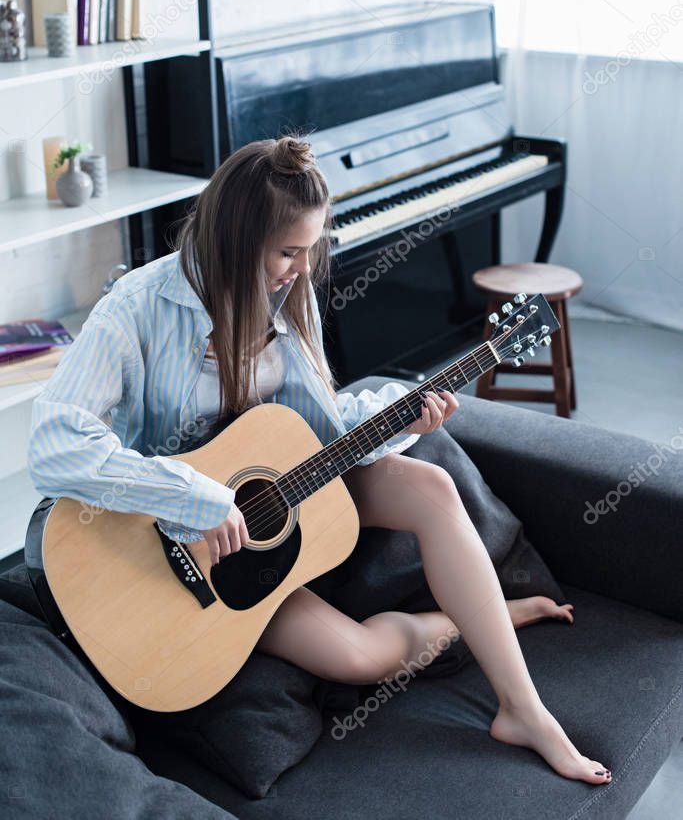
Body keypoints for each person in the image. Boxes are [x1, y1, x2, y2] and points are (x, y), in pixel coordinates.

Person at [28, 135, 611, 786]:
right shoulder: (134, 309)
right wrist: (196, 495)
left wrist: (399, 420)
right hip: (174, 557)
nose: (301, 268)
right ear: (234, 240)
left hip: (274, 508)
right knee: (359, 657)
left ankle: (523, 708)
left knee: (431, 486)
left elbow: (314, 433)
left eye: (309, 249)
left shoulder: (286, 292)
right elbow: (54, 442)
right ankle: (488, 615)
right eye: (287, 251)